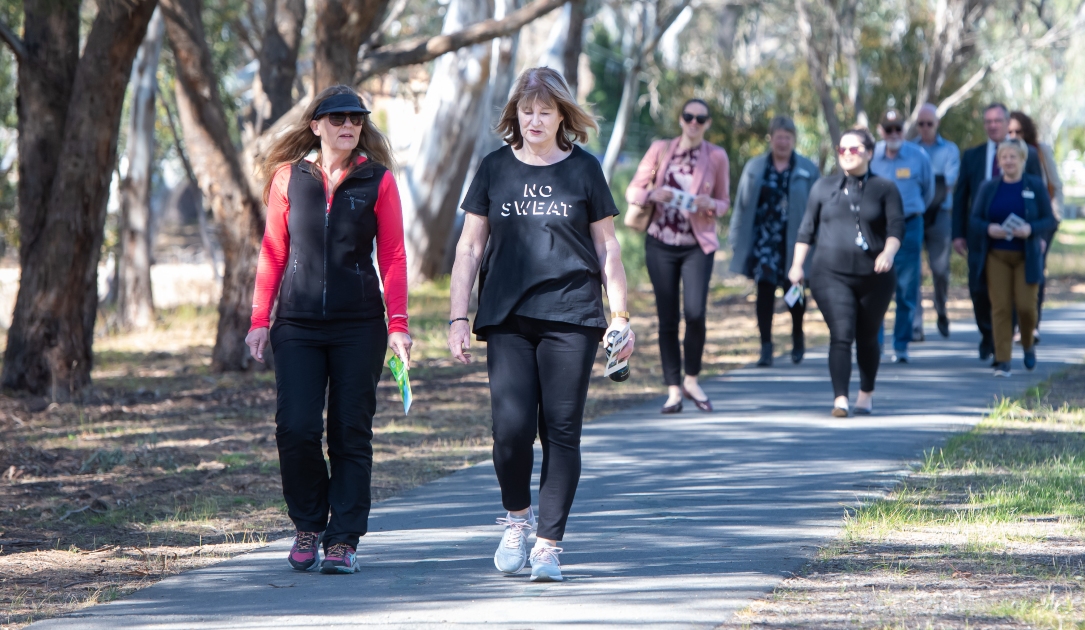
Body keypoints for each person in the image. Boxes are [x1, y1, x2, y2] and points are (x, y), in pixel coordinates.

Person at [447, 67, 635, 583]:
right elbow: (469, 247)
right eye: (526, 111)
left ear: (561, 116)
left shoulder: (584, 170)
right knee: (509, 432)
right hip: (506, 318)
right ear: (515, 114)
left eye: (545, 111)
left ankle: (549, 545)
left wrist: (621, 315)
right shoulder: (493, 169)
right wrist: (457, 316)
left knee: (561, 431)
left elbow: (607, 247)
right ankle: (516, 519)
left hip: (572, 316)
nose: (534, 120)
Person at [246, 86, 412, 575]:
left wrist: (398, 325)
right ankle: (307, 525)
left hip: (360, 326)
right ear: (316, 125)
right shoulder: (287, 178)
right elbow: (273, 251)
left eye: (356, 119)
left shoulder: (377, 181)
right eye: (337, 118)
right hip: (295, 325)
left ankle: (343, 539)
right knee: (295, 428)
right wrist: (260, 321)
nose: (348, 126)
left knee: (349, 431)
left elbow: (395, 256)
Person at [788, 129, 904, 417]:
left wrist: (888, 253)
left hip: (874, 277)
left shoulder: (885, 188)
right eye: (842, 150)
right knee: (841, 333)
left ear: (868, 152)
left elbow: (896, 229)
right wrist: (796, 266)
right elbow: (806, 231)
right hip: (829, 274)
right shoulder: (822, 187)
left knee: (868, 336)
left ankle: (865, 393)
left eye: (854, 149)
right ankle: (840, 399)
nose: (847, 154)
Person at [626, 98, 730, 412]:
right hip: (660, 242)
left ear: (708, 123)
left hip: (696, 244)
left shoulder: (716, 156)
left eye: (701, 118)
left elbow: (724, 202)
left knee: (696, 314)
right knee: (667, 317)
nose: (694, 123)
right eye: (689, 117)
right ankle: (673, 389)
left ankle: (692, 380)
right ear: (681, 119)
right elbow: (633, 191)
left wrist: (708, 204)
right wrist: (651, 194)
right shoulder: (661, 149)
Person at [952, 102, 1043, 364]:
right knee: (979, 290)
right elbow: (961, 198)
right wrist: (958, 234)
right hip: (981, 235)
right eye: (988, 121)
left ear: (1007, 123)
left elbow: (1040, 199)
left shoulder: (1029, 156)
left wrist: (1040, 236)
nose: (993, 125)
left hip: (1020, 242)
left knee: (1012, 297)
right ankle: (987, 334)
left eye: (997, 121)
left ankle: (1001, 346)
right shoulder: (972, 156)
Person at [729, 115, 820, 367]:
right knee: (765, 294)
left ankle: (797, 337)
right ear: (771, 138)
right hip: (764, 242)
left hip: (795, 242)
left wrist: (818, 241)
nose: (783, 142)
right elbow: (741, 204)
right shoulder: (755, 167)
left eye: (787, 138)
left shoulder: (807, 168)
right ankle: (766, 347)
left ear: (794, 140)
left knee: (795, 293)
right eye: (779, 137)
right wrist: (736, 238)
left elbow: (818, 207)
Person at [967, 138, 1057, 377]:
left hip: (1026, 255)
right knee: (1001, 308)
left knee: (1027, 307)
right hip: (997, 255)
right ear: (999, 161)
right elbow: (974, 220)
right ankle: (1003, 360)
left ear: (1022, 160)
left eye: (1012, 157)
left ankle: (1027, 342)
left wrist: (1031, 229)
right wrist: (989, 228)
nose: (1008, 161)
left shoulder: (1035, 186)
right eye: (1004, 157)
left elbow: (1050, 219)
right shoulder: (989, 187)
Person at [871, 108, 933, 363]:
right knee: (875, 288)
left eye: (898, 129)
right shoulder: (871, 155)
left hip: (910, 226)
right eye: (889, 129)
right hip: (877, 229)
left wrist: (911, 212)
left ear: (904, 130)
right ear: (881, 131)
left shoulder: (919, 156)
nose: (894, 133)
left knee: (907, 288)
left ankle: (901, 345)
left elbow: (927, 193)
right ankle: (875, 345)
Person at [1008, 111, 1064, 338]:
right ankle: (1014, 324)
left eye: (1018, 132)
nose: (1013, 136)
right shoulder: (1006, 155)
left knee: (1035, 268)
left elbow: (1055, 184)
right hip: (1015, 221)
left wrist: (1055, 216)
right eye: (1009, 132)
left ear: (1027, 131)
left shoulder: (1040, 151)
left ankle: (1032, 326)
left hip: (1043, 222)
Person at [912, 103, 960, 340]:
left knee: (940, 270)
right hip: (915, 215)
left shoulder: (949, 150)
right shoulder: (910, 149)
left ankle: (941, 308)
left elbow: (946, 183)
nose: (925, 128)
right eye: (921, 124)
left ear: (937, 124)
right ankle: (916, 324)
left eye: (929, 123)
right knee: (913, 272)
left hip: (939, 215)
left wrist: (924, 188)